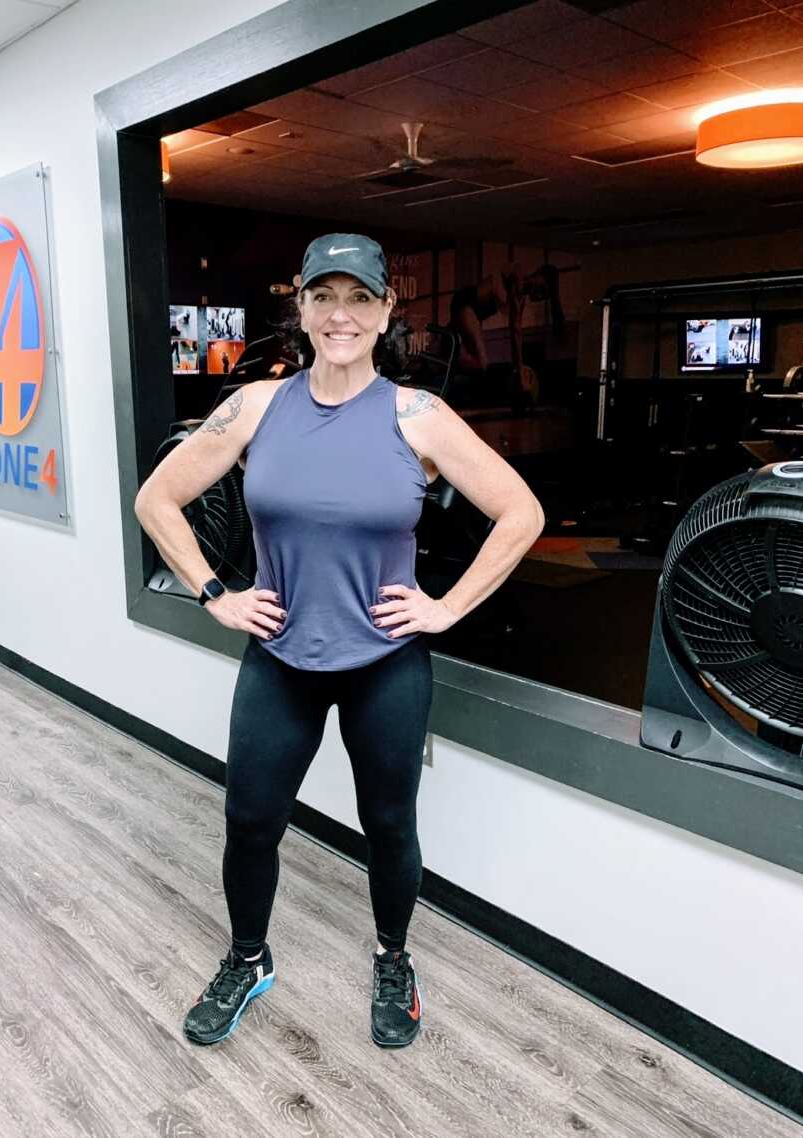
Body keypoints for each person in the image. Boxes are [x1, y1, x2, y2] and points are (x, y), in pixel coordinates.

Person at [134, 232, 544, 1050]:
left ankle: (394, 959)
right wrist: (216, 593)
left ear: (387, 310)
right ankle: (247, 959)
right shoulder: (255, 406)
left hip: (386, 664)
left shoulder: (417, 415)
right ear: (303, 307)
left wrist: (445, 609)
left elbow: (521, 513)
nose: (341, 315)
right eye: (325, 296)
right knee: (249, 820)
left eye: (360, 297)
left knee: (388, 826)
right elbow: (157, 500)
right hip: (281, 658)